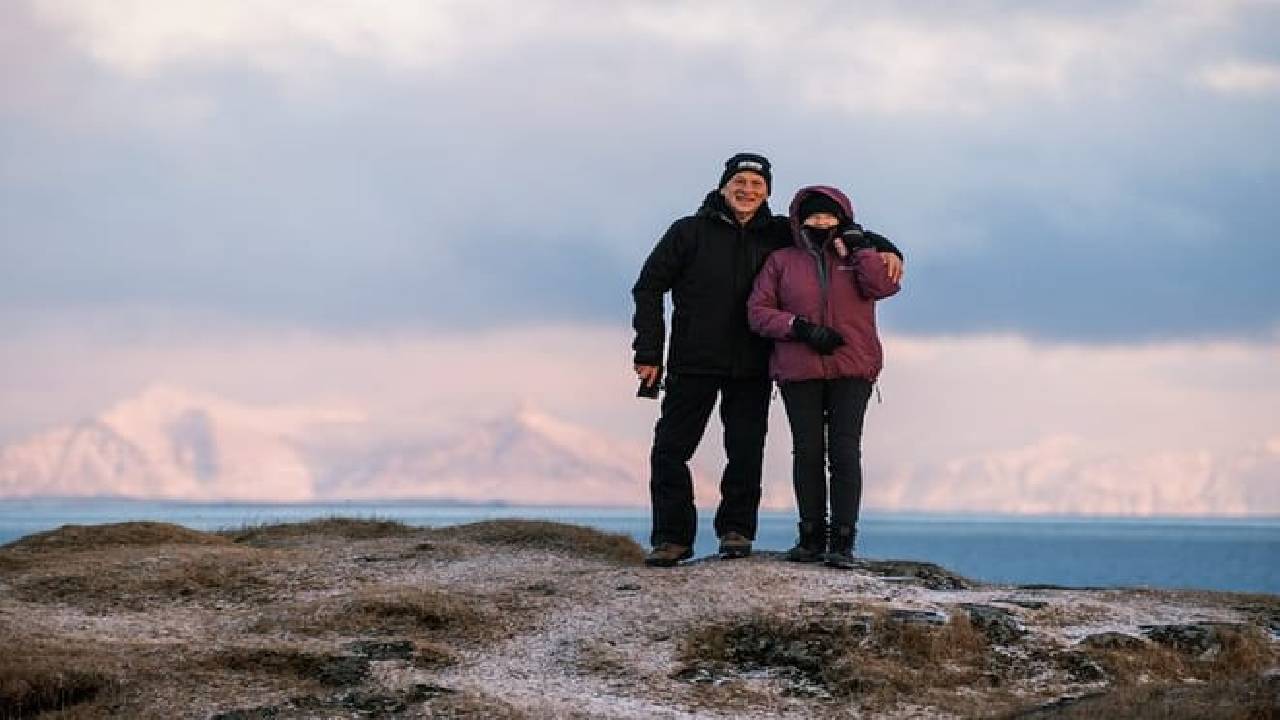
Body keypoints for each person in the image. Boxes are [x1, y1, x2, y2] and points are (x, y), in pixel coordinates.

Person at [632, 155, 901, 567]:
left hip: (753, 363)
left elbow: (832, 225)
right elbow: (648, 287)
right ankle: (671, 539)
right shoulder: (688, 232)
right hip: (692, 359)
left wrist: (888, 248)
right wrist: (649, 352)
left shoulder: (779, 233)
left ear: (768, 192)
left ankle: (736, 533)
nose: (747, 190)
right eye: (739, 181)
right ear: (723, 186)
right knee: (671, 450)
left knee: (745, 451)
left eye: (757, 184)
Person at [746, 185, 900, 569]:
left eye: (829, 217)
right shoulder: (781, 260)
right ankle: (810, 537)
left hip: (853, 367)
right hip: (800, 369)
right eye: (813, 217)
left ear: (843, 219)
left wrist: (863, 248)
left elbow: (883, 287)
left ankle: (842, 542)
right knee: (808, 453)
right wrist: (799, 328)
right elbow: (758, 311)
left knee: (845, 454)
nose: (821, 223)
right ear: (800, 220)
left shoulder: (860, 256)